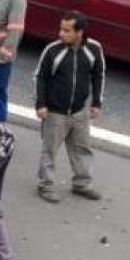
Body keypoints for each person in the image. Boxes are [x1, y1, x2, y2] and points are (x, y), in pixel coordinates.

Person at [34, 11, 106, 202]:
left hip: (80, 112)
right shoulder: (53, 51)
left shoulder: (94, 49)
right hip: (55, 113)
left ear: (79, 32)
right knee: (49, 151)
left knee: (82, 149)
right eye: (61, 29)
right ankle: (45, 185)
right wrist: (40, 104)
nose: (61, 34)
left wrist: (96, 102)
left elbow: (98, 75)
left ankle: (82, 184)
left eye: (66, 31)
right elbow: (40, 77)